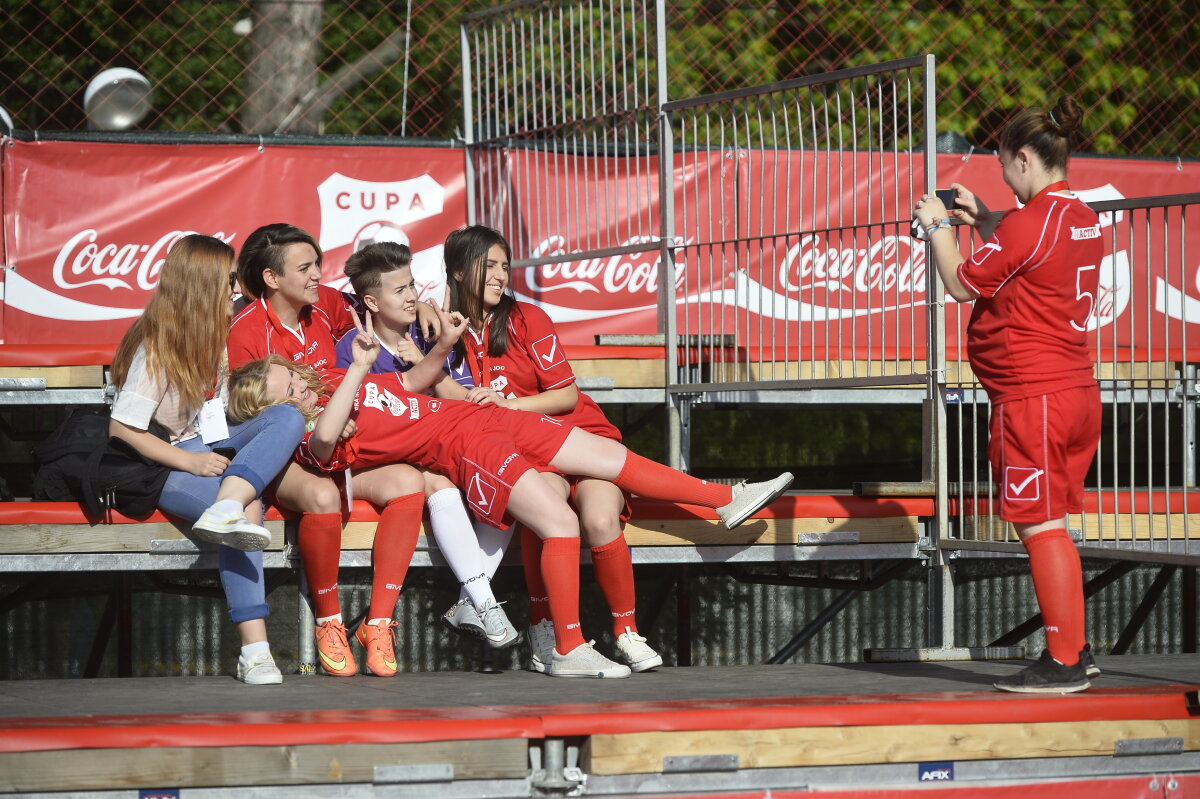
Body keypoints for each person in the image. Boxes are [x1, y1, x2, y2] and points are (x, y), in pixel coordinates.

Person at [226, 315, 794, 678]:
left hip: (478, 419)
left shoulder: (350, 382)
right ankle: (569, 648)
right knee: (560, 523)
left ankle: (722, 498)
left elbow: (417, 381)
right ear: (272, 407)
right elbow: (326, 443)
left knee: (609, 459)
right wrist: (353, 371)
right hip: (463, 449)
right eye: (288, 387)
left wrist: (444, 344)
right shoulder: (305, 429)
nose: (301, 383)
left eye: (293, 375)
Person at [913, 95, 1102, 693]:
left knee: (1039, 525)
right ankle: (1076, 646)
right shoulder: (1079, 213)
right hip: (1074, 389)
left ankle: (1065, 662)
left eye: (1003, 167)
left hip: (1032, 397)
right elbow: (1030, 253)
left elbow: (962, 283)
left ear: (1024, 158)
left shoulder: (1029, 221)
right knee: (1052, 522)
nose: (1004, 179)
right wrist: (988, 218)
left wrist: (938, 225)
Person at [442, 225, 662, 673]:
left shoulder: (527, 318)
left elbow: (565, 397)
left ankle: (627, 632)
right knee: (542, 506)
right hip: (534, 455)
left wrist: (509, 404)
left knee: (600, 518)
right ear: (460, 271)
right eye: (492, 266)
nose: (503, 275)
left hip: (580, 440)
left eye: (507, 266)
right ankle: (549, 631)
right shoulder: (444, 328)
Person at [229, 223, 428, 678]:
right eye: (306, 268)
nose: (319, 275)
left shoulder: (327, 307)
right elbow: (250, 416)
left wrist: (427, 309)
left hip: (337, 447)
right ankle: (330, 621)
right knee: (321, 495)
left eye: (317, 264)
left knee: (408, 481)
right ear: (272, 279)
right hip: (282, 456)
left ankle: (377, 623)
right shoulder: (246, 331)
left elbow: (384, 300)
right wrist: (321, 423)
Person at [108, 234, 306, 685]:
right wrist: (190, 463)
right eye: (230, 280)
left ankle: (228, 503)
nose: (237, 289)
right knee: (250, 508)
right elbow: (121, 429)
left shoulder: (215, 336)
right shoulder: (156, 347)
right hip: (162, 466)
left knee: (287, 416)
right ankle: (255, 652)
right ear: (203, 286)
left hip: (207, 448)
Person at [336, 241, 521, 649]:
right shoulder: (350, 346)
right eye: (400, 290)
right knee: (440, 483)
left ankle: (474, 603)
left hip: (440, 451)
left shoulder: (434, 330)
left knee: (506, 481)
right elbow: (357, 425)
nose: (413, 295)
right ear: (370, 301)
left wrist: (425, 358)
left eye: (412, 286)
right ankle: (484, 602)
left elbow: (464, 401)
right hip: (388, 462)